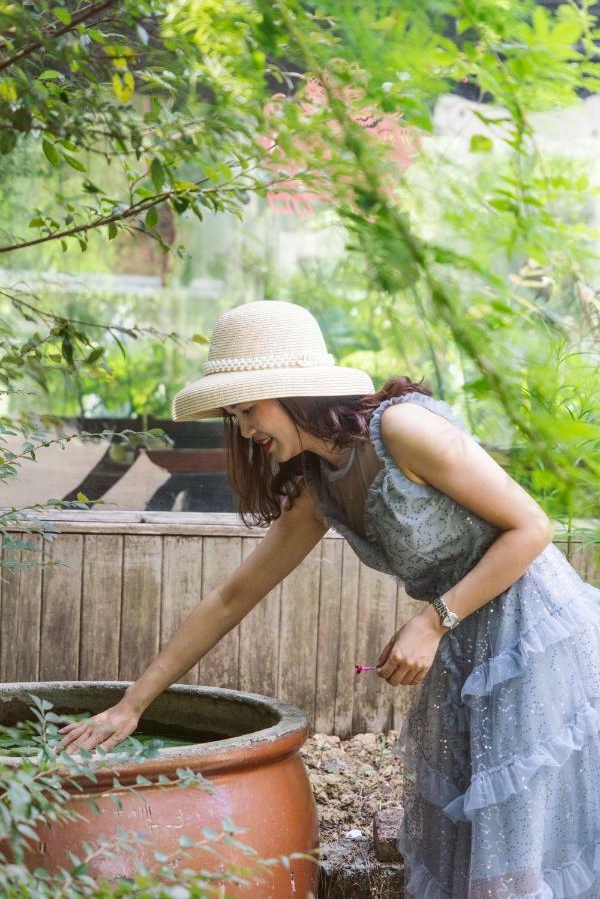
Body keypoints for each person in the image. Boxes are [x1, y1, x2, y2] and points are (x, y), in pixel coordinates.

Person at [58, 300, 600, 897]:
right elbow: (231, 598)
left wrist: (435, 619)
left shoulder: (402, 431)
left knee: (515, 834)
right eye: (234, 416)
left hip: (532, 630)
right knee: (469, 834)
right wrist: (133, 705)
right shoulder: (318, 489)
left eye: (247, 410)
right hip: (461, 635)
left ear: (292, 392)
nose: (243, 431)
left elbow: (532, 527)